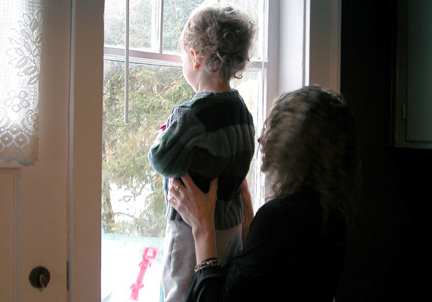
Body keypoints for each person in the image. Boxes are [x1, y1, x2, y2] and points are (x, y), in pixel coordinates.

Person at [168, 85, 361, 301]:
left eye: (274, 130)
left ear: (293, 147)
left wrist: (202, 226)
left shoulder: (280, 218)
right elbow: (265, 278)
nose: (261, 140)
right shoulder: (332, 217)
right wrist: (247, 209)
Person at [148, 3, 256, 301]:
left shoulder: (190, 113)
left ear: (194, 57)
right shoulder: (243, 113)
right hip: (230, 227)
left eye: (184, 55)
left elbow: (162, 159)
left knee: (178, 288)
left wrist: (165, 131)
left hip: (190, 225)